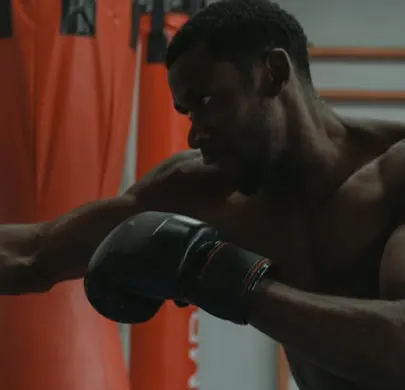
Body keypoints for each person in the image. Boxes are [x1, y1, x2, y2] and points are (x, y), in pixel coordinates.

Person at [1, 0, 405, 388]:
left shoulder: (394, 177)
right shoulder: (201, 190)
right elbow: (35, 253)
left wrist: (233, 284)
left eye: (208, 100)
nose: (195, 134)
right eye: (187, 112)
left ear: (273, 72)